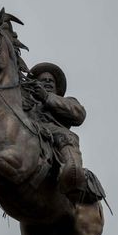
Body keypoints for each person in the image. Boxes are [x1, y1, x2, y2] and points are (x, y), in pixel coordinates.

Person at [28, 62, 87, 197]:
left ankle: (73, 175)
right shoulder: (26, 101)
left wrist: (47, 97)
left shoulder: (66, 100)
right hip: (29, 131)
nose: (48, 82)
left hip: (54, 134)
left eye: (51, 81)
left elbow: (79, 114)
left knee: (66, 136)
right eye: (43, 80)